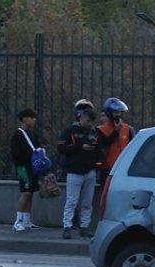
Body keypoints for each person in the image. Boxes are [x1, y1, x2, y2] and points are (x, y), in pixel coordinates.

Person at [57, 106, 99, 239]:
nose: (90, 123)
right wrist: (80, 147)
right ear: (81, 118)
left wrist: (97, 166)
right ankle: (67, 226)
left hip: (89, 171)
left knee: (87, 202)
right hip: (74, 171)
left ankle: (85, 226)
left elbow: (98, 150)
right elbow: (61, 147)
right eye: (88, 120)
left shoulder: (93, 132)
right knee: (72, 201)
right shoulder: (70, 131)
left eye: (92, 121)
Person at [10, 108, 45, 232]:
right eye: (31, 117)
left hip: (33, 167)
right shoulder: (18, 134)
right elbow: (16, 154)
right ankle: (18, 221)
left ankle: (26, 220)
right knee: (25, 192)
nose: (34, 120)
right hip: (23, 168)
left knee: (31, 193)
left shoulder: (33, 134)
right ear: (24, 119)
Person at [95, 96, 135, 179]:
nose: (118, 115)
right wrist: (116, 131)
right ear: (109, 113)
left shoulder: (128, 129)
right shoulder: (101, 130)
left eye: (120, 112)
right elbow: (103, 146)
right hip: (107, 170)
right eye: (116, 112)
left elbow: (133, 147)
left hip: (124, 169)